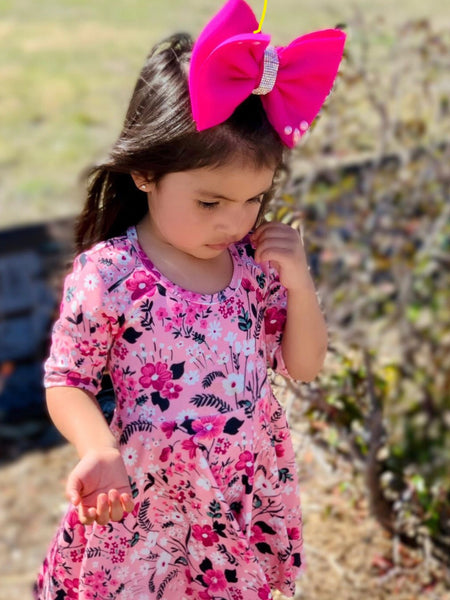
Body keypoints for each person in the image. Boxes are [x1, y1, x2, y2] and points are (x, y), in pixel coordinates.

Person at [34, 0, 345, 598]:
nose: (235, 221)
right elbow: (66, 379)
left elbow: (302, 366)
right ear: (146, 173)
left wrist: (300, 285)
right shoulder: (113, 273)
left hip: (239, 497)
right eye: (210, 203)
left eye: (253, 199)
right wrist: (98, 448)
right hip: (150, 506)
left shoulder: (253, 266)